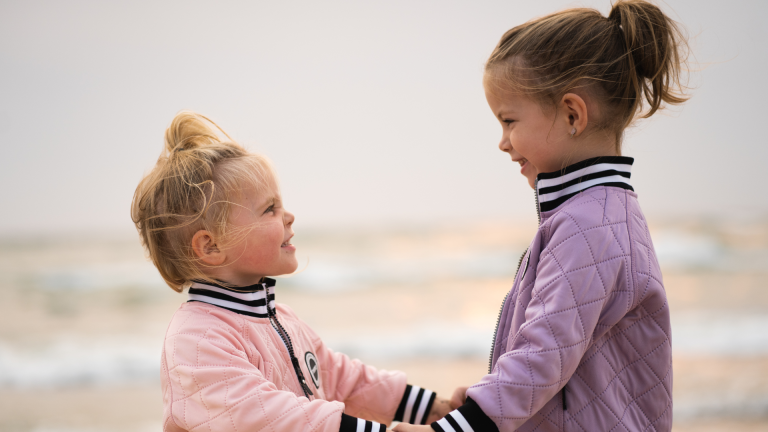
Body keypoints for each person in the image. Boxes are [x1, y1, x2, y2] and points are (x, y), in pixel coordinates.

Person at [394, 1, 688, 431]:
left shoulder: (589, 225)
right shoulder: (598, 212)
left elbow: (542, 356)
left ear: (572, 113)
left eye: (509, 120)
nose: (503, 142)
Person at [131, 111, 451, 432]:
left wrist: (435, 409)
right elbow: (275, 418)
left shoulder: (282, 320)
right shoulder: (197, 341)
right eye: (270, 209)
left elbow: (345, 380)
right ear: (211, 246)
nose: (289, 216)